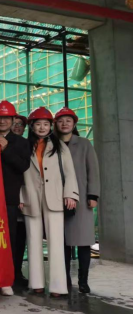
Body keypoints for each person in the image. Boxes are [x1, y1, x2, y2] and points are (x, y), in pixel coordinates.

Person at [19, 107, 79, 297]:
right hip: (30, 197)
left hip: (55, 196)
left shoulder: (60, 146)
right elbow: (18, 174)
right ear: (32, 126)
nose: (42, 127)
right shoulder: (24, 146)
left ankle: (57, 286)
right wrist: (20, 197)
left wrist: (71, 194)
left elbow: (69, 172)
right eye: (38, 124)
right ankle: (36, 283)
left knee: (56, 242)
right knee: (33, 240)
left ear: (51, 126)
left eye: (46, 124)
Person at [0, 101, 30, 295]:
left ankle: (6, 279)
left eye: (6, 118)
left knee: (8, 239)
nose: (2, 121)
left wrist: (6, 149)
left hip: (9, 198)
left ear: (12, 120)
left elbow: (23, 166)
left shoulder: (21, 142)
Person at [54, 107, 100, 294]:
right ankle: (65, 279)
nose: (64, 124)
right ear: (56, 124)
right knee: (63, 242)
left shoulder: (84, 144)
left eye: (68, 120)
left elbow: (93, 170)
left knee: (83, 241)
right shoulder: (51, 144)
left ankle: (83, 281)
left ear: (74, 124)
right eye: (60, 120)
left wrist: (93, 195)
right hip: (57, 199)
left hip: (81, 200)